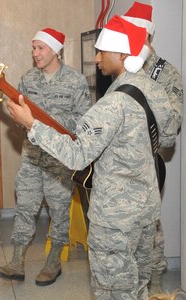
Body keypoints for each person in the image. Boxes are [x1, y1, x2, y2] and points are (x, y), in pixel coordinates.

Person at [6, 15, 177, 299]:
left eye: (102, 51)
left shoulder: (112, 103)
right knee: (138, 285)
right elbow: (167, 137)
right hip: (146, 209)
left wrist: (32, 125)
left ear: (122, 54)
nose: (96, 58)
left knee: (114, 291)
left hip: (114, 218)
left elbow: (77, 155)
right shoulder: (153, 89)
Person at [0, 28, 91, 286]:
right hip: (32, 158)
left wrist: (46, 122)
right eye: (33, 48)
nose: (35, 53)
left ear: (56, 50)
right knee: (25, 208)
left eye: (41, 48)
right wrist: (16, 117)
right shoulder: (27, 80)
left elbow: (83, 121)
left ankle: (53, 261)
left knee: (59, 212)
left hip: (60, 161)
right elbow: (20, 124)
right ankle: (17, 261)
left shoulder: (75, 80)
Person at [122, 2, 184, 294]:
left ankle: (156, 286)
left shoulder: (165, 73)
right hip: (121, 162)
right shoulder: (124, 66)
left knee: (151, 227)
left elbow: (174, 120)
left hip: (148, 161)